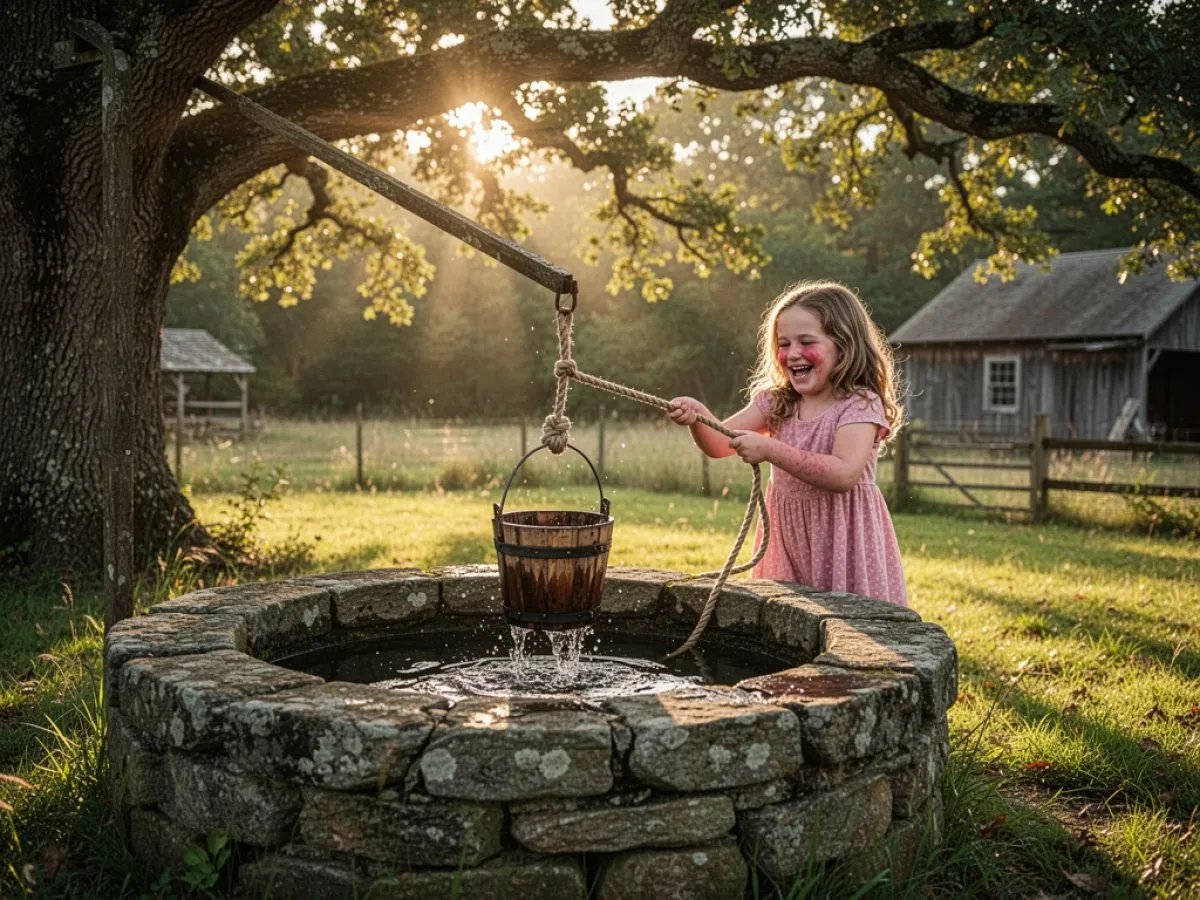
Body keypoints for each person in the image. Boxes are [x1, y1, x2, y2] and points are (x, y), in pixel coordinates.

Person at [666, 280, 907, 606]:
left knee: (848, 625)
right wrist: (697, 417)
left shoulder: (859, 404)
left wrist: (769, 449)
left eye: (806, 341)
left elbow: (843, 474)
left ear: (844, 345)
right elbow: (718, 444)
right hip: (788, 540)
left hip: (844, 540)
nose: (792, 354)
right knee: (787, 618)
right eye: (783, 343)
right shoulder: (777, 402)